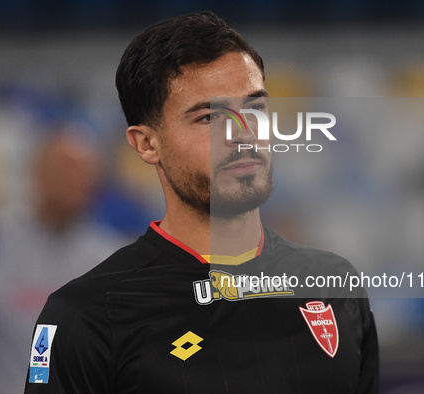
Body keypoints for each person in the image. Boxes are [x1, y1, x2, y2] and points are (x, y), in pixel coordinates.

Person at [25, 11, 379, 393]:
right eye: (209, 117)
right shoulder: (86, 316)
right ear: (146, 144)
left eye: (255, 109)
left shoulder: (334, 286)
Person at [0, 126, 128, 394]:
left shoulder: (112, 257)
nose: (78, 179)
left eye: (87, 171)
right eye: (66, 167)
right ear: (38, 173)